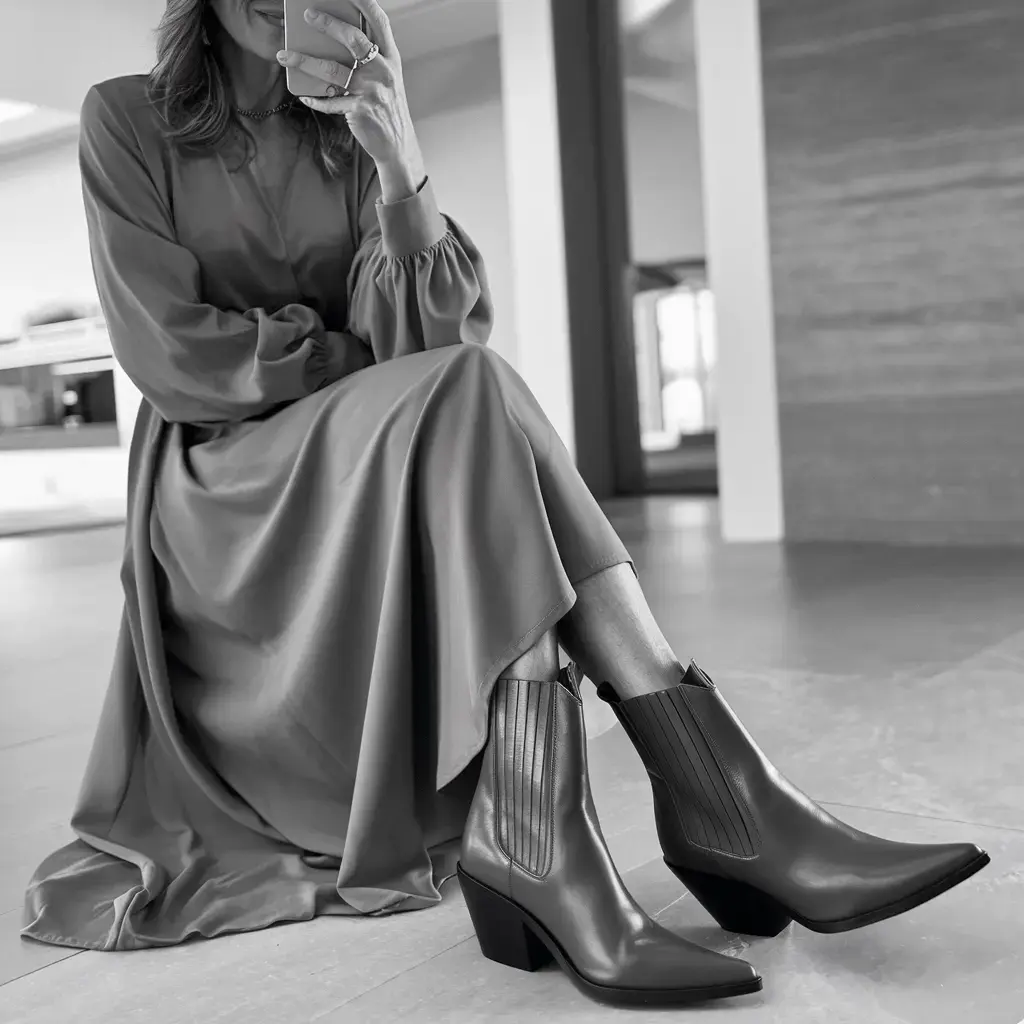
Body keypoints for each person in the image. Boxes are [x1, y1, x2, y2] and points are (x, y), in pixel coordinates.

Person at [20, 0, 988, 1009]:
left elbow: (429, 337)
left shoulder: (348, 133)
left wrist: (397, 155)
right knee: (468, 390)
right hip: (220, 477)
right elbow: (171, 351)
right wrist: (349, 357)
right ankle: (715, 809)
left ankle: (563, 843)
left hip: (368, 449)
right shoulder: (124, 117)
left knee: (469, 388)